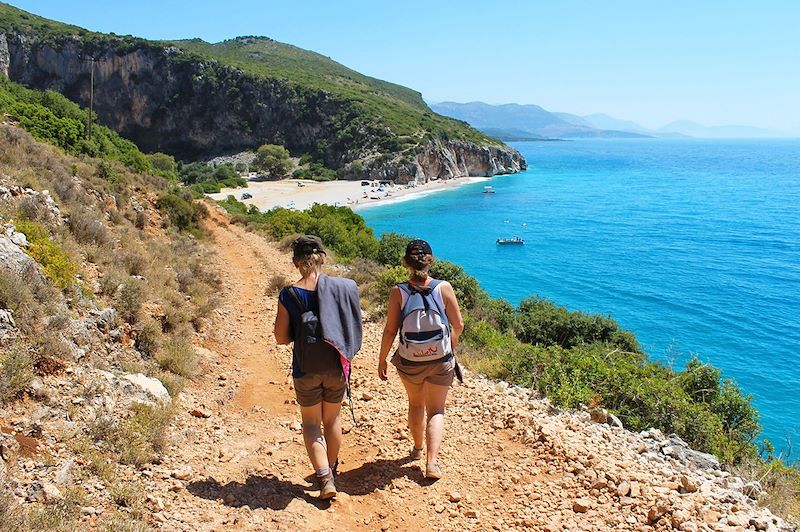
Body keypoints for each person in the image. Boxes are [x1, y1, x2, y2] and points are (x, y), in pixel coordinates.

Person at [274, 235, 362, 499]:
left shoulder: (289, 294)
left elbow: (280, 338)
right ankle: (331, 470)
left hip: (305, 368)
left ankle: (324, 478)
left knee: (311, 423)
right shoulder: (344, 288)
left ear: (295, 263)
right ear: (322, 258)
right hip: (337, 364)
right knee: (333, 418)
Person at [377, 239, 464, 479]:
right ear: (430, 260)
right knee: (436, 409)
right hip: (440, 360)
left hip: (409, 361)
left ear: (406, 262)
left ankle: (416, 449)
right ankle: (432, 464)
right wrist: (450, 346)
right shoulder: (444, 287)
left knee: (416, 403)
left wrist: (382, 359)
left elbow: (390, 330)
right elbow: (458, 324)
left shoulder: (398, 291)